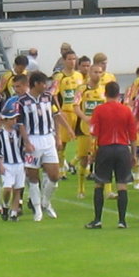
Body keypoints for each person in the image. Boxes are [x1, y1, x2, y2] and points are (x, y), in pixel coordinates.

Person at [17, 71, 72, 221]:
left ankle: (45, 202)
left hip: (48, 139)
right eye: (43, 83)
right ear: (35, 84)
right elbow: (20, 123)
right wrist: (26, 142)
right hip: (33, 139)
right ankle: (37, 210)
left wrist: (62, 133)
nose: (46, 86)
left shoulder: (48, 97)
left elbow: (56, 115)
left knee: (54, 175)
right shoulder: (22, 101)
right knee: (33, 176)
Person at [85, 81, 137, 229]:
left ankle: (97, 219)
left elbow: (94, 134)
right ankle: (122, 221)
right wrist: (133, 154)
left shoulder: (99, 110)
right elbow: (132, 135)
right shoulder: (126, 110)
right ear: (118, 93)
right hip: (122, 149)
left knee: (99, 183)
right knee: (122, 185)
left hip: (105, 149)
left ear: (105, 93)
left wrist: (92, 153)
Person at [72, 63, 105, 199]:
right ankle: (81, 187)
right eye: (95, 72)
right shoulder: (82, 89)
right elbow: (76, 105)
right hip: (85, 129)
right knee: (84, 158)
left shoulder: (104, 89)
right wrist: (85, 117)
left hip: (102, 130)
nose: (98, 75)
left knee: (103, 158)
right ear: (90, 73)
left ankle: (107, 190)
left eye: (100, 72)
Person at [50, 49, 83, 180]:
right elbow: (53, 94)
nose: (72, 62)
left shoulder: (79, 76)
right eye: (69, 59)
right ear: (64, 60)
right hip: (66, 112)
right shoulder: (59, 77)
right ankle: (60, 169)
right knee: (62, 143)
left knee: (84, 140)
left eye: (74, 59)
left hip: (78, 112)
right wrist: (59, 110)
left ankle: (75, 164)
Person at [0, 104, 24, 222]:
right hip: (7, 164)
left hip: (19, 163)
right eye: (11, 118)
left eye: (14, 118)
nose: (14, 121)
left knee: (18, 189)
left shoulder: (18, 133)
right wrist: (0, 165)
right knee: (7, 189)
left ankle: (14, 213)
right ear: (5, 120)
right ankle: (5, 206)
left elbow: (22, 147)